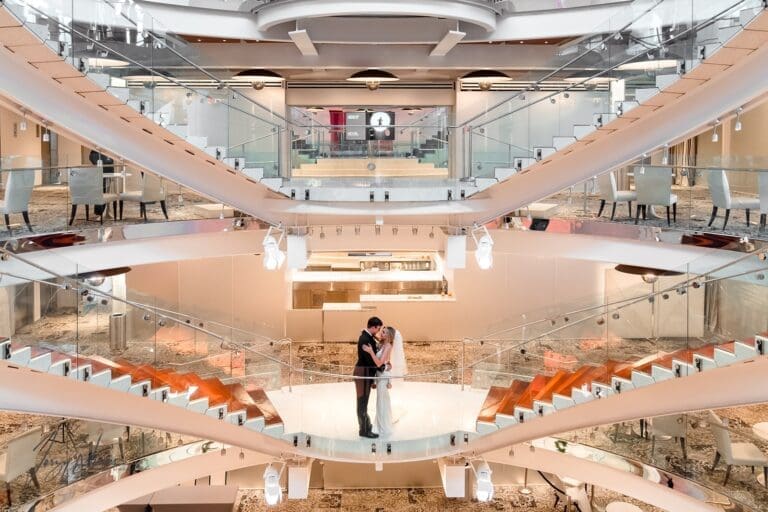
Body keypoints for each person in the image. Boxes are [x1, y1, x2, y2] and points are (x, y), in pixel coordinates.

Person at [354, 316, 384, 439]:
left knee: (363, 401)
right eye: (378, 328)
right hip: (363, 372)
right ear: (374, 327)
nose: (378, 331)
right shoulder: (365, 339)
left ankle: (366, 426)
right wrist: (381, 367)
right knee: (362, 402)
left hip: (365, 372)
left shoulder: (367, 337)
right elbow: (369, 360)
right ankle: (364, 430)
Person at [363, 326, 394, 436]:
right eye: (382, 331)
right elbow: (375, 337)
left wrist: (371, 351)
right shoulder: (381, 344)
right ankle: (381, 423)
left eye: (384, 333)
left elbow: (380, 363)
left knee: (381, 400)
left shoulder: (388, 346)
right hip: (379, 375)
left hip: (383, 375)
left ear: (389, 336)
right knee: (381, 400)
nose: (382, 334)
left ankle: (383, 426)